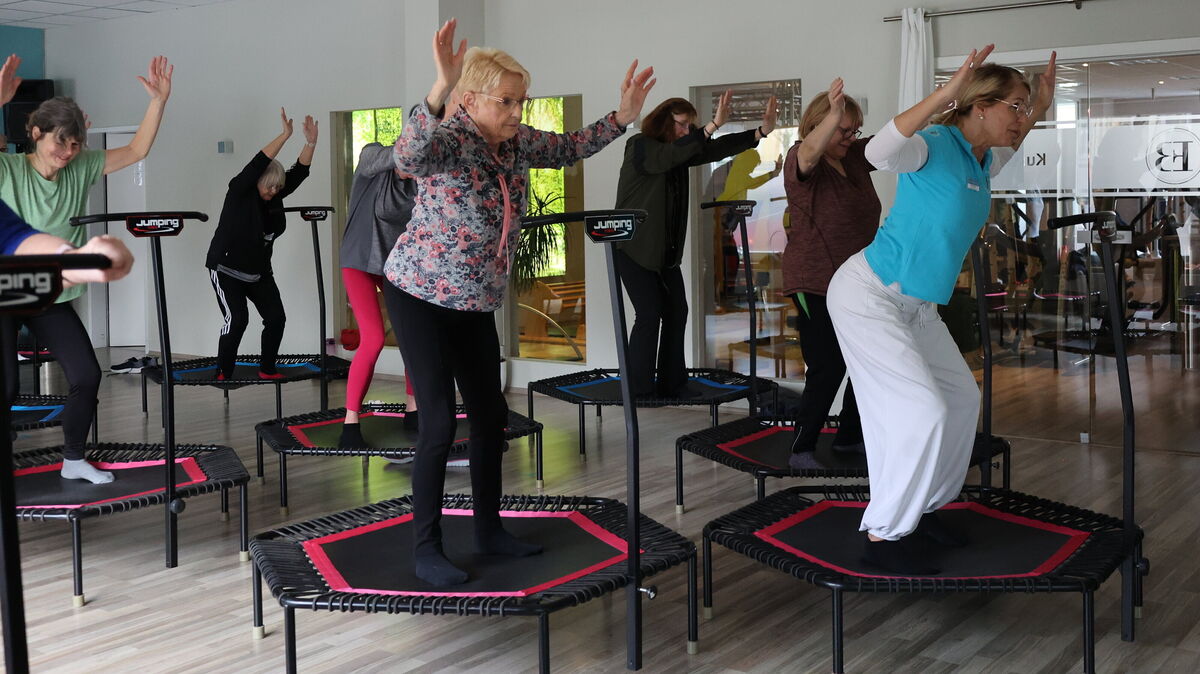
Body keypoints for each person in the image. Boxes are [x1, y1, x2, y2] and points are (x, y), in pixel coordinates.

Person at [385, 18, 655, 586]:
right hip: (421, 296)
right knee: (437, 422)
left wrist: (624, 116)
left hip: (474, 301)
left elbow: (569, 148)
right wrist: (438, 87)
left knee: (489, 417)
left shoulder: (514, 142)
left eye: (520, 100)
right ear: (472, 98)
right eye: (507, 101)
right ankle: (426, 548)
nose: (516, 111)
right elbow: (407, 158)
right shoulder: (450, 137)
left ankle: (488, 531)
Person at [827, 45, 1055, 574]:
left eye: (1024, 110)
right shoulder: (932, 144)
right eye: (1014, 107)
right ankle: (884, 533)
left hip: (918, 306)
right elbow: (877, 153)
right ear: (979, 105)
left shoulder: (981, 158)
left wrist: (1039, 105)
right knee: (921, 411)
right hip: (869, 295)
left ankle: (924, 508)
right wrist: (946, 93)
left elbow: (1013, 141)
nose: (1021, 119)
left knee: (959, 400)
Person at [0, 53, 171, 484]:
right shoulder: (8, 169)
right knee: (7, 388)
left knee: (87, 375)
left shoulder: (82, 167)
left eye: (75, 144)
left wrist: (158, 102)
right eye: (60, 142)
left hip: (53, 293)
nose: (67, 153)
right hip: (6, 290)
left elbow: (137, 149)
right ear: (36, 134)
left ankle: (73, 457)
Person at [614, 89, 776, 397]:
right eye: (681, 125)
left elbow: (714, 150)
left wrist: (759, 133)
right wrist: (710, 126)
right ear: (663, 121)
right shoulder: (640, 147)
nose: (686, 132)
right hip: (633, 251)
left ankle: (672, 383)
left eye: (690, 127)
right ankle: (637, 389)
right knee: (649, 314)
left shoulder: (680, 152)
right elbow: (667, 157)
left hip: (664, 256)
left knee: (678, 311)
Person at [780, 78, 877, 470]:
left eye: (854, 130)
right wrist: (831, 119)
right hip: (814, 279)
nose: (850, 137)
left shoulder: (852, 157)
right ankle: (801, 447)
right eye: (843, 128)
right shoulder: (802, 159)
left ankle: (850, 436)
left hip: (857, 281)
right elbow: (809, 153)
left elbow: (896, 136)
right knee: (829, 364)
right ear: (820, 123)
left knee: (865, 359)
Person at [205, 108, 317, 381]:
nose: (274, 192)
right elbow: (258, 162)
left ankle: (268, 369)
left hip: (258, 272)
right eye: (270, 187)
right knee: (238, 320)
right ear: (257, 182)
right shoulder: (239, 191)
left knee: (276, 318)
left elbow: (299, 172)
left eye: (278, 188)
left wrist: (310, 142)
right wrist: (285, 135)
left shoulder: (274, 196)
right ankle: (223, 372)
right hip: (226, 268)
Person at [337, 137, 419, 448]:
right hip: (358, 260)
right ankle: (350, 423)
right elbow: (390, 155)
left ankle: (414, 411)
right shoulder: (372, 159)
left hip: (395, 266)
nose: (414, 172)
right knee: (373, 338)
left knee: (412, 335)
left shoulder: (419, 186)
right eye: (412, 163)